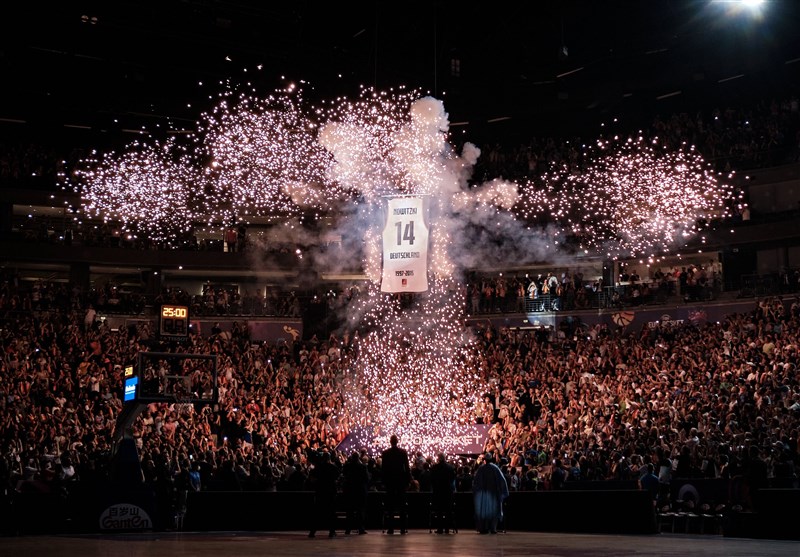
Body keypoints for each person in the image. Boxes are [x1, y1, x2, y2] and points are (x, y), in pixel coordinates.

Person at [380, 434, 411, 534]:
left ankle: (390, 529)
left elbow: (383, 469)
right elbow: (406, 468)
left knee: (390, 507)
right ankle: (402, 529)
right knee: (402, 506)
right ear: (397, 442)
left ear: (390, 441)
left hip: (390, 483)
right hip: (401, 482)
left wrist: (384, 482)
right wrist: (408, 481)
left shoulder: (385, 453)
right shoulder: (403, 452)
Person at [472, 453, 509, 534]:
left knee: (483, 511)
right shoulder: (495, 468)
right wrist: (503, 493)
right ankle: (492, 528)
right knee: (493, 511)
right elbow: (502, 481)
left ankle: (483, 528)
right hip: (493, 495)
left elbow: (476, 483)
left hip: (483, 495)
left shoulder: (481, 469)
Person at [308, 451, 340, 538]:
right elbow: (337, 478)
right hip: (330, 492)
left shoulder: (318, 467)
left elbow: (312, 479)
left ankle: (312, 532)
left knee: (317, 512)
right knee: (331, 512)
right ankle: (332, 531)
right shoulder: (333, 467)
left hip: (320, 492)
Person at [342, 451, 370, 535]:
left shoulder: (347, 466)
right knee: (360, 511)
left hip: (350, 491)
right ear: (358, 458)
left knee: (349, 511)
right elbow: (366, 478)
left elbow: (344, 476)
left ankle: (348, 529)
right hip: (360, 491)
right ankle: (361, 528)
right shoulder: (362, 467)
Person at [430, 452, 457, 534]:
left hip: (438, 492)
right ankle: (447, 529)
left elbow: (432, 480)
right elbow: (453, 479)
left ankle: (440, 528)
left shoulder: (434, 467)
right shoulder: (450, 468)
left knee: (439, 511)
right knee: (448, 511)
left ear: (438, 458)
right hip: (448, 492)